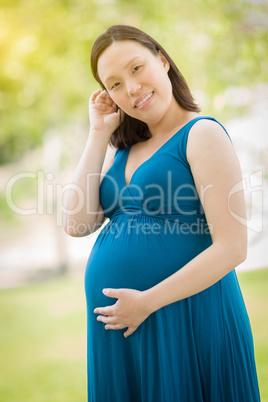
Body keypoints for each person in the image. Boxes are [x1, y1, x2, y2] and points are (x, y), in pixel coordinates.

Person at [63, 25, 260, 401]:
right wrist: (98, 134)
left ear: (163, 61)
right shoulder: (125, 150)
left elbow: (233, 248)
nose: (131, 88)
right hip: (123, 331)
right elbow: (75, 223)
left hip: (185, 319)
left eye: (136, 69)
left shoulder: (201, 134)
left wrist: (146, 303)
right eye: (115, 84)